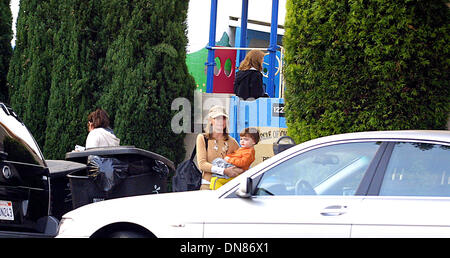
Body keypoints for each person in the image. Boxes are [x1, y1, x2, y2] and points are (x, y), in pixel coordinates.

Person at [196, 105, 243, 190]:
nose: (221, 121)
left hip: (227, 189)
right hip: (207, 187)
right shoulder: (202, 138)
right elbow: (202, 164)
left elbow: (244, 164)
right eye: (217, 118)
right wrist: (224, 171)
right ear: (211, 120)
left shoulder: (232, 142)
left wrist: (234, 171)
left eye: (223, 118)